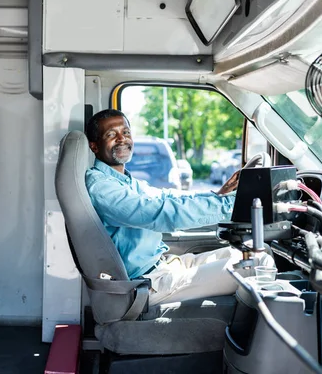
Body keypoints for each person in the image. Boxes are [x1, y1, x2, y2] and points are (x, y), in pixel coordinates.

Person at [85, 109, 273, 305]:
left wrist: (219, 195)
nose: (122, 139)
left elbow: (169, 197)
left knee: (256, 252)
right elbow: (161, 212)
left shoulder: (126, 181)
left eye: (126, 132)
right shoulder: (101, 186)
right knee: (258, 265)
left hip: (163, 266)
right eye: (111, 134)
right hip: (146, 284)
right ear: (94, 145)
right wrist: (234, 205)